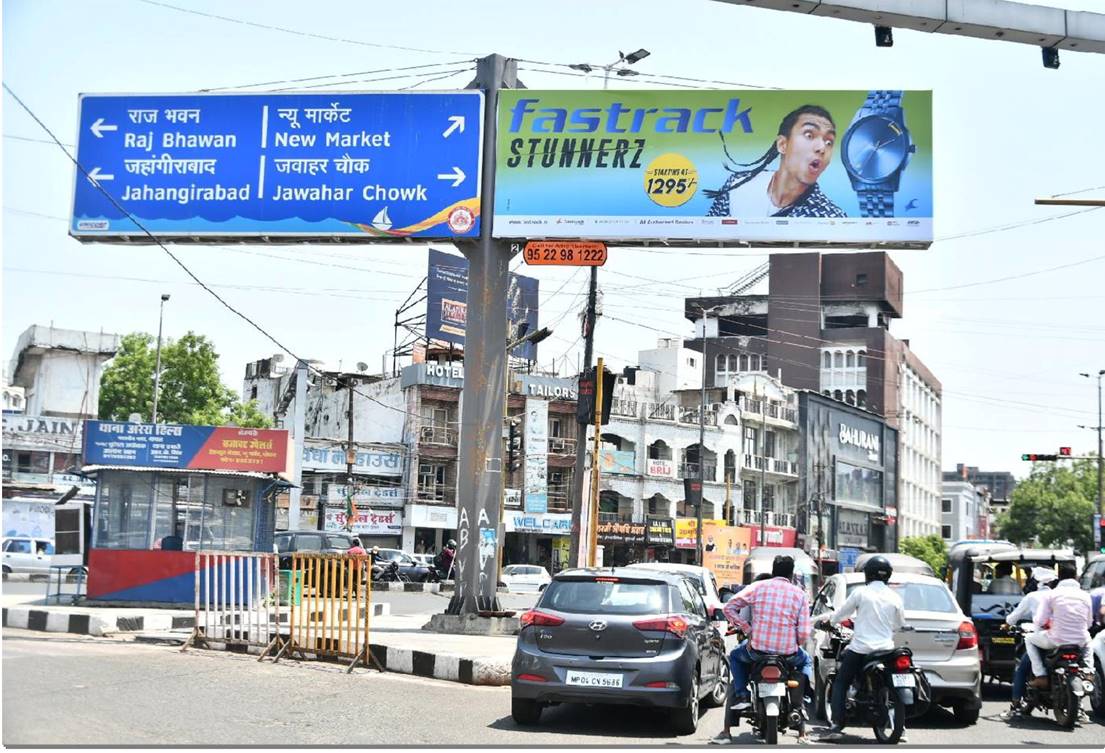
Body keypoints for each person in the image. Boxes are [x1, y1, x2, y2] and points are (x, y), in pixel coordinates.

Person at [717, 555, 813, 743]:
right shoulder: (800, 594)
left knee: (735, 656)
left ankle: (743, 694)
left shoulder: (758, 588)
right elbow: (803, 632)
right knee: (806, 660)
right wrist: (795, 643)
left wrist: (748, 629)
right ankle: (801, 700)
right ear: (791, 574)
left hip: (757, 651)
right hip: (788, 654)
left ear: (773, 570)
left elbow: (729, 608)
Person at [817, 555, 905, 741]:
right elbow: (898, 625)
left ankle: (837, 724)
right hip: (886, 649)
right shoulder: (895, 597)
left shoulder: (861, 593)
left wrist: (830, 621)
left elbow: (842, 613)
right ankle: (901, 727)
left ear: (868, 574)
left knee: (841, 682)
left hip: (861, 649)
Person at [706, 105, 846, 219]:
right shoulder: (737, 185)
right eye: (809, 135)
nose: (822, 148)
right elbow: (708, 234)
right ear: (782, 145)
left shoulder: (831, 217)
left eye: (829, 142)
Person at [1025, 562, 1093, 689]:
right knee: (1088, 641)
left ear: (1059, 577)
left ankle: (1041, 676)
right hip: (1080, 641)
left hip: (1056, 640)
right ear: (1076, 577)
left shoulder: (1051, 594)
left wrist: (1047, 623)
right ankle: (1089, 673)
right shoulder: (1085, 596)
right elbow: (1088, 623)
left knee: (1028, 639)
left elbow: (1039, 621)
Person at [1001, 567, 1057, 719]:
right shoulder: (1059, 595)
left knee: (1022, 669)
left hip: (1043, 639)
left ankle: (1016, 705)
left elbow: (1015, 616)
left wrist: (1006, 624)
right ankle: (1080, 708)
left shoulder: (1032, 597)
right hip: (1065, 639)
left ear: (1035, 582)